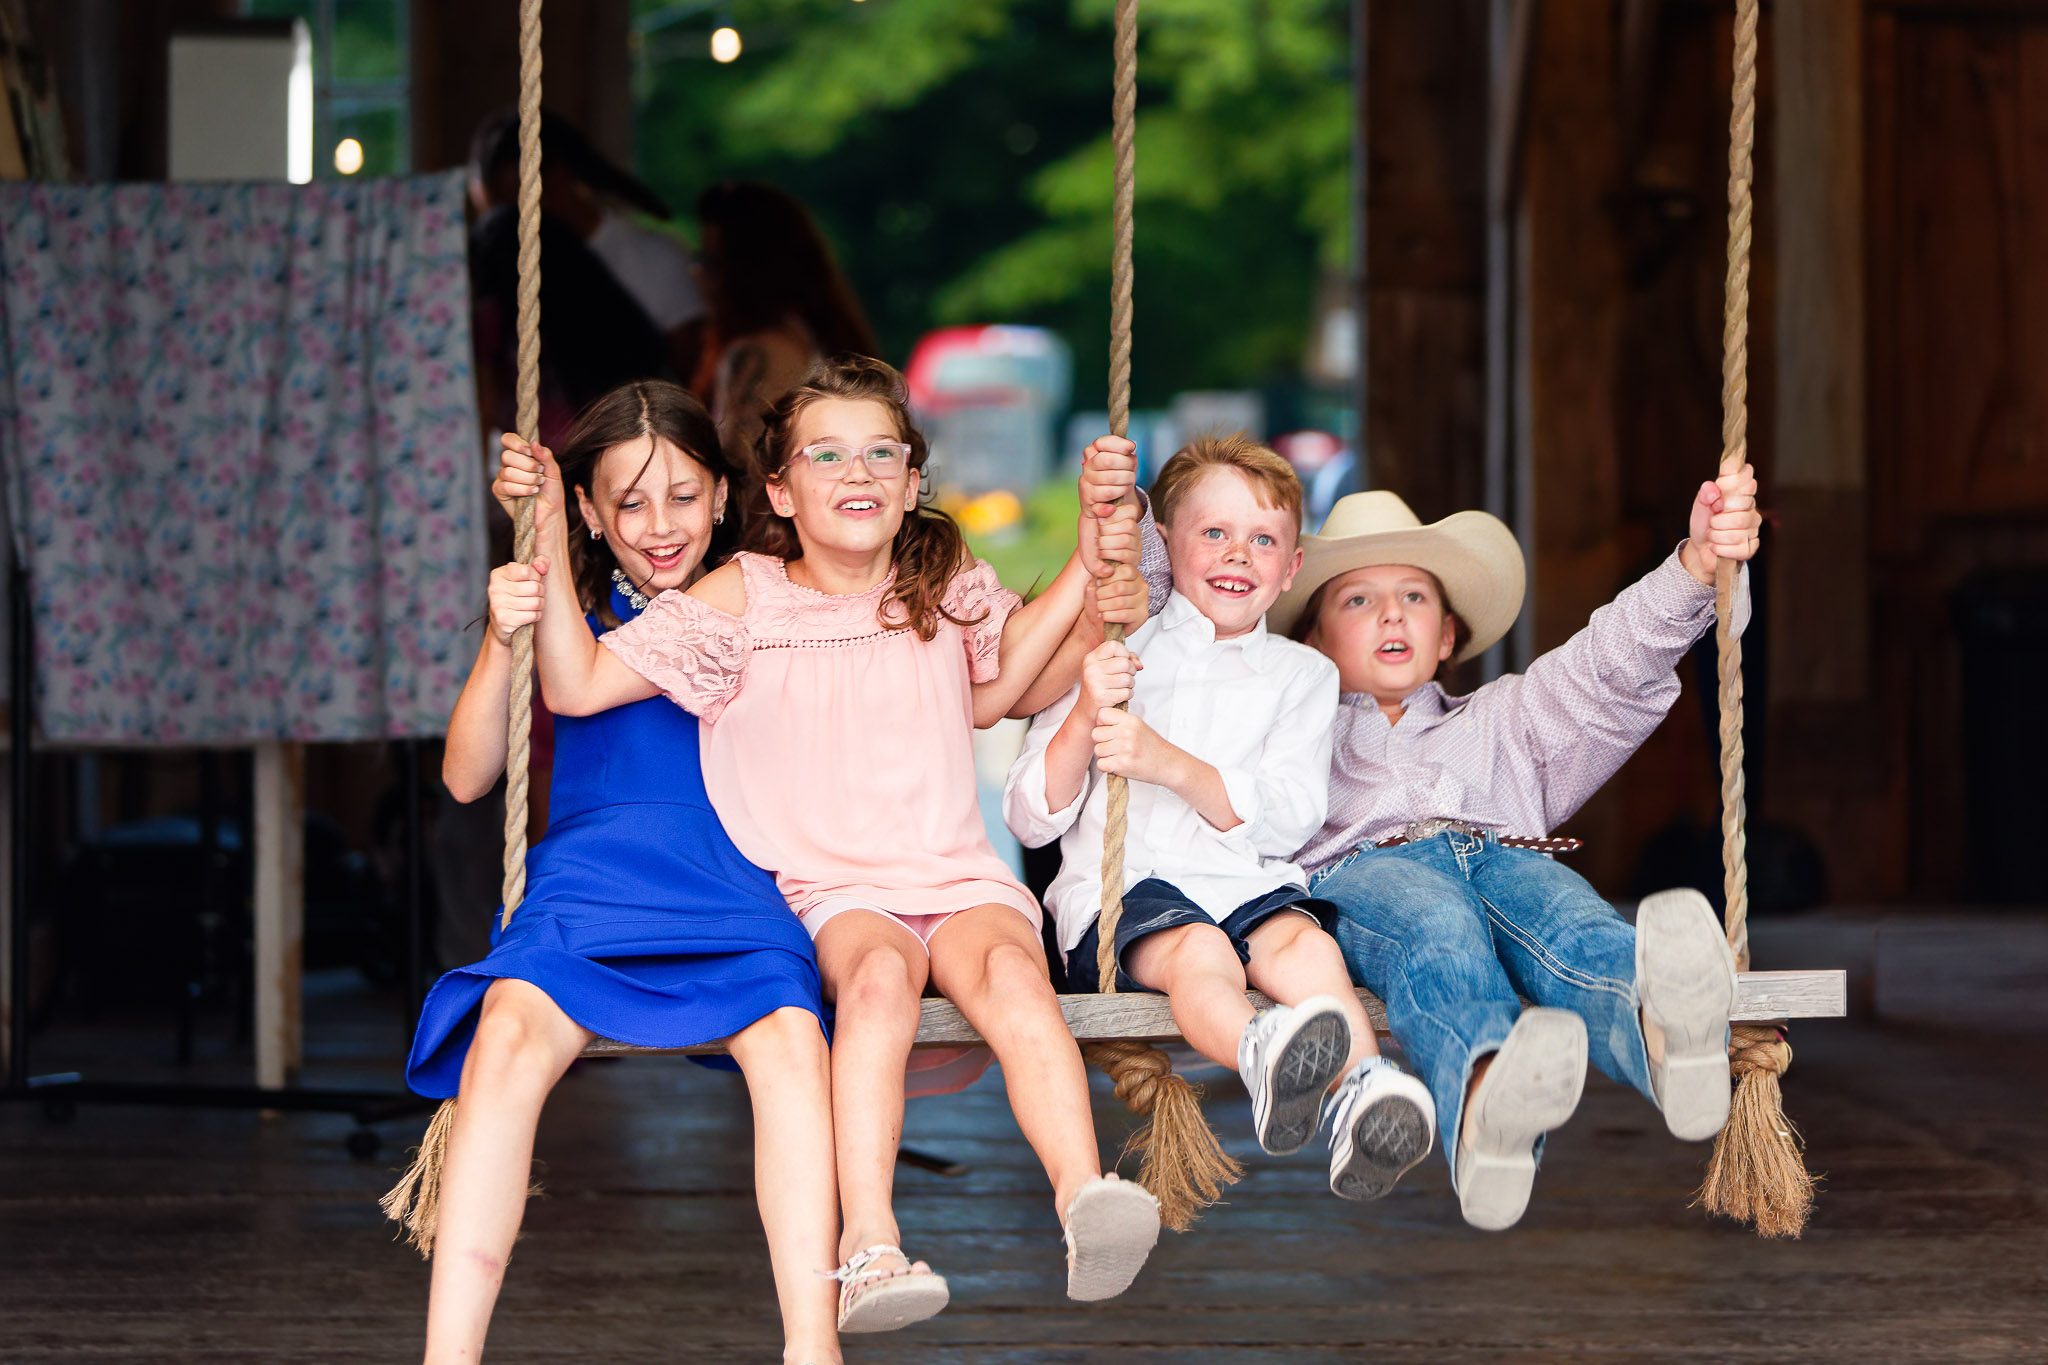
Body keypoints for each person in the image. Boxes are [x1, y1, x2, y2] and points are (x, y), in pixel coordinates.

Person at [524, 356, 1162, 1335]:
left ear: (912, 485)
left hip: (954, 869)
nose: (856, 472)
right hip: (832, 886)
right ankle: (866, 1241)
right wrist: (540, 540)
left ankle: (1082, 1194)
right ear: (778, 490)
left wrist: (1087, 556)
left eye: (880, 454)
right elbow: (574, 689)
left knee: (1010, 971)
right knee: (872, 986)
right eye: (825, 455)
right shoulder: (742, 595)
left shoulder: (938, 583)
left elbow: (1002, 689)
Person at [406, 382, 840, 1365]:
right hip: (588, 888)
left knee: (787, 1040)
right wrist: (499, 629)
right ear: (592, 514)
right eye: (629, 502)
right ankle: (447, 1357)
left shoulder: (769, 604)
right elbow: (468, 776)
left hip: (736, 881)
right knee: (504, 1037)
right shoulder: (569, 612)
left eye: (683, 497)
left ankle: (813, 1347)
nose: (659, 526)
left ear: (725, 498)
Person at [1268, 466, 1762, 1231]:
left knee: (1565, 909)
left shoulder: (1507, 721)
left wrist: (1694, 566)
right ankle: (1486, 1097)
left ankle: (1666, 1033)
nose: (1391, 613)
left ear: (1447, 636)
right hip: (1370, 874)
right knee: (1435, 922)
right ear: (1310, 640)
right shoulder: (1289, 741)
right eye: (1358, 599)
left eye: (1415, 597)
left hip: (1498, 850)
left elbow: (1606, 666)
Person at [1005, 436, 1438, 1201]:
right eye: (1213, 533)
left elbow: (1291, 817)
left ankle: (1364, 1087)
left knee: (1304, 945)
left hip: (1247, 881)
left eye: (1262, 539)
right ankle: (1259, 1051)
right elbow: (1031, 818)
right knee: (1200, 947)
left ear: (1292, 566)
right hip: (1125, 899)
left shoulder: (1305, 675)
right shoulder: (1115, 645)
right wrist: (1083, 711)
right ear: (1164, 544)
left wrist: (1170, 763)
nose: (1238, 554)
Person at [469, 107, 705, 376]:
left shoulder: (657, 259)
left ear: (556, 177)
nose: (501, 232)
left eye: (509, 211)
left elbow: (687, 376)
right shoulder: (511, 279)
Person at [690, 183, 880, 463]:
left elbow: (745, 470)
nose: (698, 274)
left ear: (747, 272)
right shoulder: (809, 337)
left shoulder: (762, 352)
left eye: (710, 260)